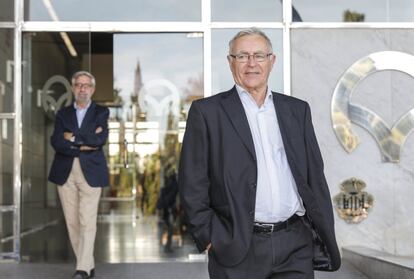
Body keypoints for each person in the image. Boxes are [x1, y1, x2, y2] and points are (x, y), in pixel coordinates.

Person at [178, 28, 341, 279]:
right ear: (230, 62)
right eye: (242, 56)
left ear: (272, 61)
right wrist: (209, 236)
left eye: (259, 55)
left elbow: (314, 175)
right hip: (238, 246)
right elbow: (192, 180)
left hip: (294, 243)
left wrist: (317, 230)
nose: (251, 63)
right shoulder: (207, 112)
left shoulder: (297, 110)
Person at [48, 71, 109, 279]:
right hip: (65, 172)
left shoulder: (101, 112)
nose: (82, 88)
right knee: (72, 222)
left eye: (86, 85)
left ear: (92, 89)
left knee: (87, 221)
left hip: (91, 171)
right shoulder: (62, 114)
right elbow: (56, 141)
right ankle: (87, 264)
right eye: (79, 85)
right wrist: (83, 143)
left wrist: (72, 137)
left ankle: (82, 269)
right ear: (73, 88)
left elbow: (100, 140)